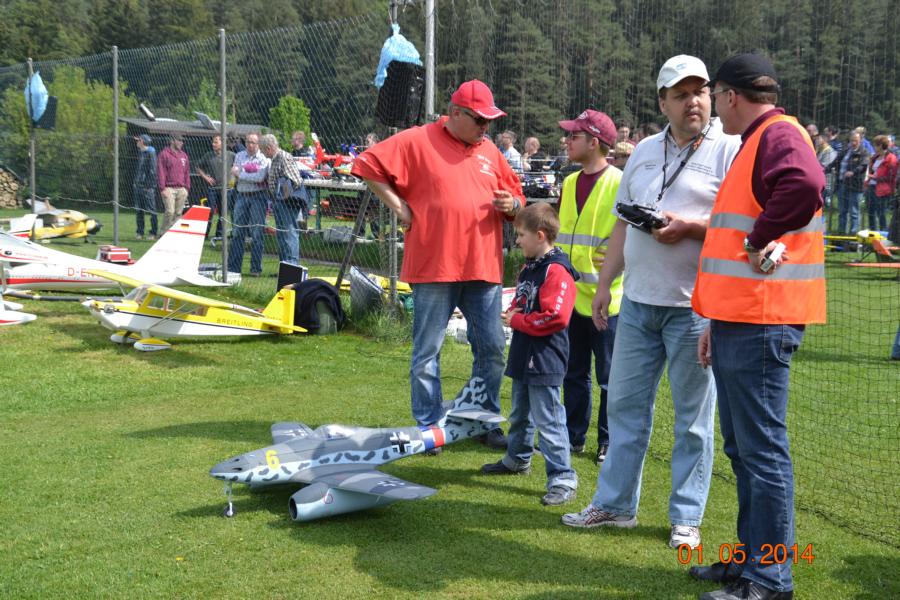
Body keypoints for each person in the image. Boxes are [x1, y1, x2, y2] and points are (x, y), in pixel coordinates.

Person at [561, 55, 741, 552]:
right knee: (624, 409)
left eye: (699, 92)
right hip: (638, 304)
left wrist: (691, 228)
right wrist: (605, 284)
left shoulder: (730, 149)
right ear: (663, 103)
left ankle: (686, 517)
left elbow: (742, 225)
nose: (693, 102)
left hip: (695, 308)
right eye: (681, 95)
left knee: (693, 421)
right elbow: (624, 221)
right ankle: (615, 504)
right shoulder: (641, 152)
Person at [691, 53, 826, 600]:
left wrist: (757, 237)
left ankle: (769, 578)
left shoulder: (777, 135)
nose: (716, 109)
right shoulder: (763, 138)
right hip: (742, 316)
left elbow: (805, 185)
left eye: (716, 97)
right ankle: (751, 561)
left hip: (763, 317)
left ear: (730, 95)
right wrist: (715, 321)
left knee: (761, 452)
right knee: (745, 450)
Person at [351, 79, 523, 452]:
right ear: (456, 113)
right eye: (480, 120)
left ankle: (481, 420)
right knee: (427, 351)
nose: (486, 127)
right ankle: (430, 427)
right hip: (434, 267)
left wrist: (513, 205)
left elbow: (518, 198)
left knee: (492, 348)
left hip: (483, 268)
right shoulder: (418, 140)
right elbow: (367, 165)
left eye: (490, 121)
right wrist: (400, 208)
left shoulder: (490, 152)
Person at [480, 203, 579, 506]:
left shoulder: (557, 271)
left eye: (521, 235)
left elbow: (556, 317)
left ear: (540, 236)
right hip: (524, 353)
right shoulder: (530, 267)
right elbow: (524, 300)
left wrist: (518, 321)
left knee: (548, 418)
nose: (517, 241)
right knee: (520, 412)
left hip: (545, 357)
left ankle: (562, 477)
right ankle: (517, 458)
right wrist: (513, 311)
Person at [554, 109, 623, 465]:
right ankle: (573, 436)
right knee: (573, 372)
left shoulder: (619, 182)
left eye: (574, 136)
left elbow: (629, 235)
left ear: (594, 142)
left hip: (607, 300)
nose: (567, 141)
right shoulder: (569, 182)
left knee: (610, 376)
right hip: (571, 297)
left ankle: (608, 442)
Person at [227, 133, 271, 277]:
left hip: (258, 197)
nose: (250, 145)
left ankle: (255, 269)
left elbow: (260, 177)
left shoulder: (263, 158)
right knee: (237, 232)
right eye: (247, 142)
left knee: (257, 233)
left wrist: (241, 173)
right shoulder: (239, 155)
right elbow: (233, 171)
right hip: (241, 195)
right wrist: (248, 174)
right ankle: (233, 268)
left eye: (253, 142)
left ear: (258, 144)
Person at [259, 134, 303, 265]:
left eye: (262, 150)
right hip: (278, 202)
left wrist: (283, 195)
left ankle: (292, 266)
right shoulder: (275, 159)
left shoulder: (284, 157)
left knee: (289, 234)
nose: (262, 153)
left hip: (287, 203)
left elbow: (295, 180)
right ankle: (284, 267)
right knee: (282, 235)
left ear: (268, 148)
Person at [196, 134, 234, 243]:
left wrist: (233, 178)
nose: (213, 144)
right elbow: (198, 167)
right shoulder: (208, 155)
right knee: (209, 212)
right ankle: (204, 234)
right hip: (212, 189)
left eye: (216, 142)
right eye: (213, 142)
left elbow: (238, 166)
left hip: (227, 190)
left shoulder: (231, 155)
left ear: (223, 143)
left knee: (223, 213)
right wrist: (206, 177)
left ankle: (219, 235)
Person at [837, 131, 870, 234]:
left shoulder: (864, 152)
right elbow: (836, 161)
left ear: (860, 141)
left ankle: (853, 234)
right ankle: (841, 233)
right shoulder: (846, 151)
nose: (853, 143)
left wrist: (853, 172)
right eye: (852, 140)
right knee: (842, 211)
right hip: (843, 184)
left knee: (854, 212)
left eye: (856, 140)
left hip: (856, 186)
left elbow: (863, 165)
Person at [157, 133, 190, 232]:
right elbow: (161, 172)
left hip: (182, 188)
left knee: (178, 213)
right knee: (170, 211)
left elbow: (187, 172)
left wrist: (187, 188)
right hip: (168, 188)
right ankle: (164, 233)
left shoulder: (184, 155)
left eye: (182, 141)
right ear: (172, 141)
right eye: (179, 140)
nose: (181, 142)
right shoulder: (164, 154)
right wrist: (162, 188)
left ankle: (174, 233)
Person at [864, 135, 898, 232]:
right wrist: (867, 182)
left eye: (876, 145)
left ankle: (883, 233)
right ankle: (872, 232)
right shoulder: (874, 157)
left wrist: (876, 178)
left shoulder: (891, 158)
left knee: (881, 213)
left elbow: (891, 177)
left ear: (881, 145)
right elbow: (870, 172)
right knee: (870, 212)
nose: (874, 147)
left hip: (883, 190)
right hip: (871, 187)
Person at [132, 134, 158, 240]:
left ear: (142, 141)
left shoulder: (151, 153)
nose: (137, 142)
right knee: (139, 210)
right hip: (138, 186)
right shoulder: (141, 152)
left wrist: (148, 186)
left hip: (147, 187)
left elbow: (153, 171)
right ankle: (140, 232)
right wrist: (136, 182)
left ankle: (153, 233)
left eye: (138, 140)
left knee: (152, 210)